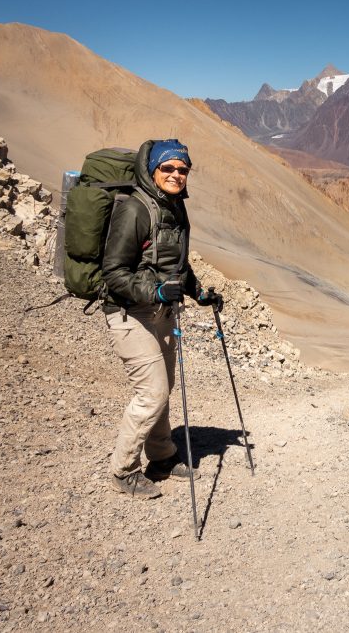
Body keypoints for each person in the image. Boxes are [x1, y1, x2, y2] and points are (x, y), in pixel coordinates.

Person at [101, 139, 222, 498]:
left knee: (163, 388)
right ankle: (123, 471)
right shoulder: (136, 210)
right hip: (129, 313)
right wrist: (152, 292)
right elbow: (113, 271)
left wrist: (199, 293)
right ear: (152, 170)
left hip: (162, 312)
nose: (176, 174)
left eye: (182, 169)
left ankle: (163, 457)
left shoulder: (175, 210)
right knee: (151, 392)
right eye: (168, 168)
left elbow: (177, 266)